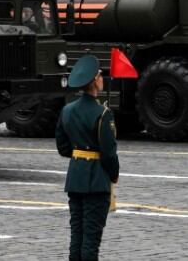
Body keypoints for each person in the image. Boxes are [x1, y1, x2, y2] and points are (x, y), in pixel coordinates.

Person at [55, 55, 119, 261]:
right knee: (91, 241)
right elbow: (109, 152)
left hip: (75, 179)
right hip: (96, 181)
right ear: (94, 82)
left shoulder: (67, 110)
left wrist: (79, 156)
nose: (102, 78)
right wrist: (114, 175)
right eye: (100, 75)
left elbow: (63, 147)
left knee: (77, 237)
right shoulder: (103, 113)